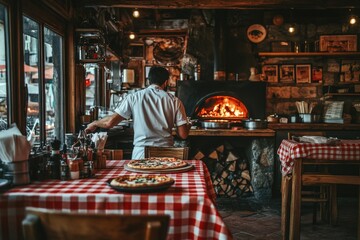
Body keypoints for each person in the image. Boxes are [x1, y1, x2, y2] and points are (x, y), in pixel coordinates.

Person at [85, 66, 190, 159]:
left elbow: (109, 123)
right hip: (166, 153)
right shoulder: (174, 100)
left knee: (139, 180)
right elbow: (183, 135)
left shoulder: (134, 97)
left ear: (149, 80)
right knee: (166, 180)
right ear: (166, 82)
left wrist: (94, 123)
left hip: (141, 153)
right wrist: (187, 126)